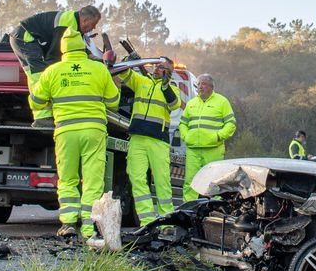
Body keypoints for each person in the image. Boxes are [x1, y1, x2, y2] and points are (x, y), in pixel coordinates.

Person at [28, 29, 119, 239]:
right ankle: (88, 228)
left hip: (66, 131)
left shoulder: (52, 71)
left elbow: (36, 101)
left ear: (62, 48)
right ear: (84, 47)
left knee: (67, 179)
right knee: (92, 180)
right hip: (93, 131)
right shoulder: (98, 69)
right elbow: (113, 102)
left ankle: (68, 224)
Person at [13, 5, 107, 124]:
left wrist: (92, 57)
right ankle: (42, 118)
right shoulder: (66, 25)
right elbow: (55, 56)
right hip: (25, 37)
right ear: (85, 20)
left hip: (27, 36)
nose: (93, 28)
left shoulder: (75, 25)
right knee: (39, 75)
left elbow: (77, 46)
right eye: (93, 24)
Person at [116, 58, 182, 224]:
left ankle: (166, 220)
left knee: (162, 181)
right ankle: (147, 220)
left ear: (169, 72)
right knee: (137, 178)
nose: (158, 69)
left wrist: (166, 85)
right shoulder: (142, 81)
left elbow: (174, 105)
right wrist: (128, 61)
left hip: (158, 141)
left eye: (163, 68)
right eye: (157, 66)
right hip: (137, 138)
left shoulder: (172, 88)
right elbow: (123, 72)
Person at [179, 74, 236, 202]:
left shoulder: (222, 101)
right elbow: (183, 123)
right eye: (198, 84)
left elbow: (231, 124)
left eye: (203, 84)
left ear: (211, 86)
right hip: (193, 149)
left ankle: (214, 211)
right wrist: (186, 136)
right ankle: (189, 210)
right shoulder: (191, 103)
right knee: (190, 182)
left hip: (213, 149)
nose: (200, 87)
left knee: (214, 182)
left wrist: (218, 136)